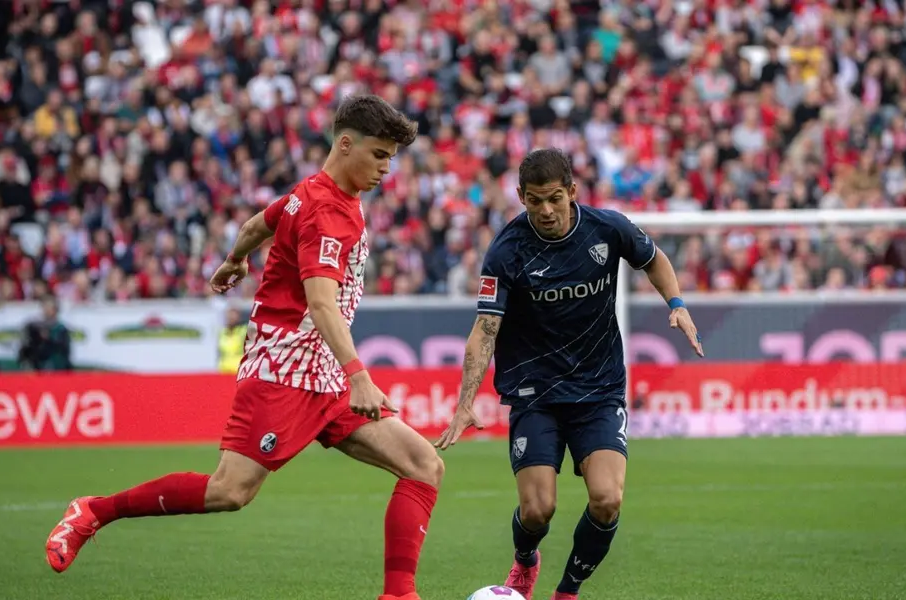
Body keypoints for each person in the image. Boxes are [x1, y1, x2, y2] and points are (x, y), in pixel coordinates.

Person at [44, 95, 444, 600]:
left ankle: (399, 595)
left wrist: (235, 259)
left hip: (322, 372)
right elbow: (321, 305)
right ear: (346, 145)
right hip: (283, 370)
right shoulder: (325, 211)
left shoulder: (314, 192)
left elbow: (259, 224)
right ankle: (93, 511)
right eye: (381, 155)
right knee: (230, 491)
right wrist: (360, 373)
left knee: (423, 464)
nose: (388, 168)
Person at [436, 149, 704, 600]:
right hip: (535, 392)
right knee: (538, 510)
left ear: (572, 192)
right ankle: (525, 561)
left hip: (598, 390)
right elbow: (486, 328)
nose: (545, 210)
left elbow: (654, 259)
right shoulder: (506, 250)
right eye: (535, 200)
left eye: (555, 198)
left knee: (607, 499)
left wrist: (676, 304)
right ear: (521, 197)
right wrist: (465, 402)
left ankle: (567, 591)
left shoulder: (607, 228)